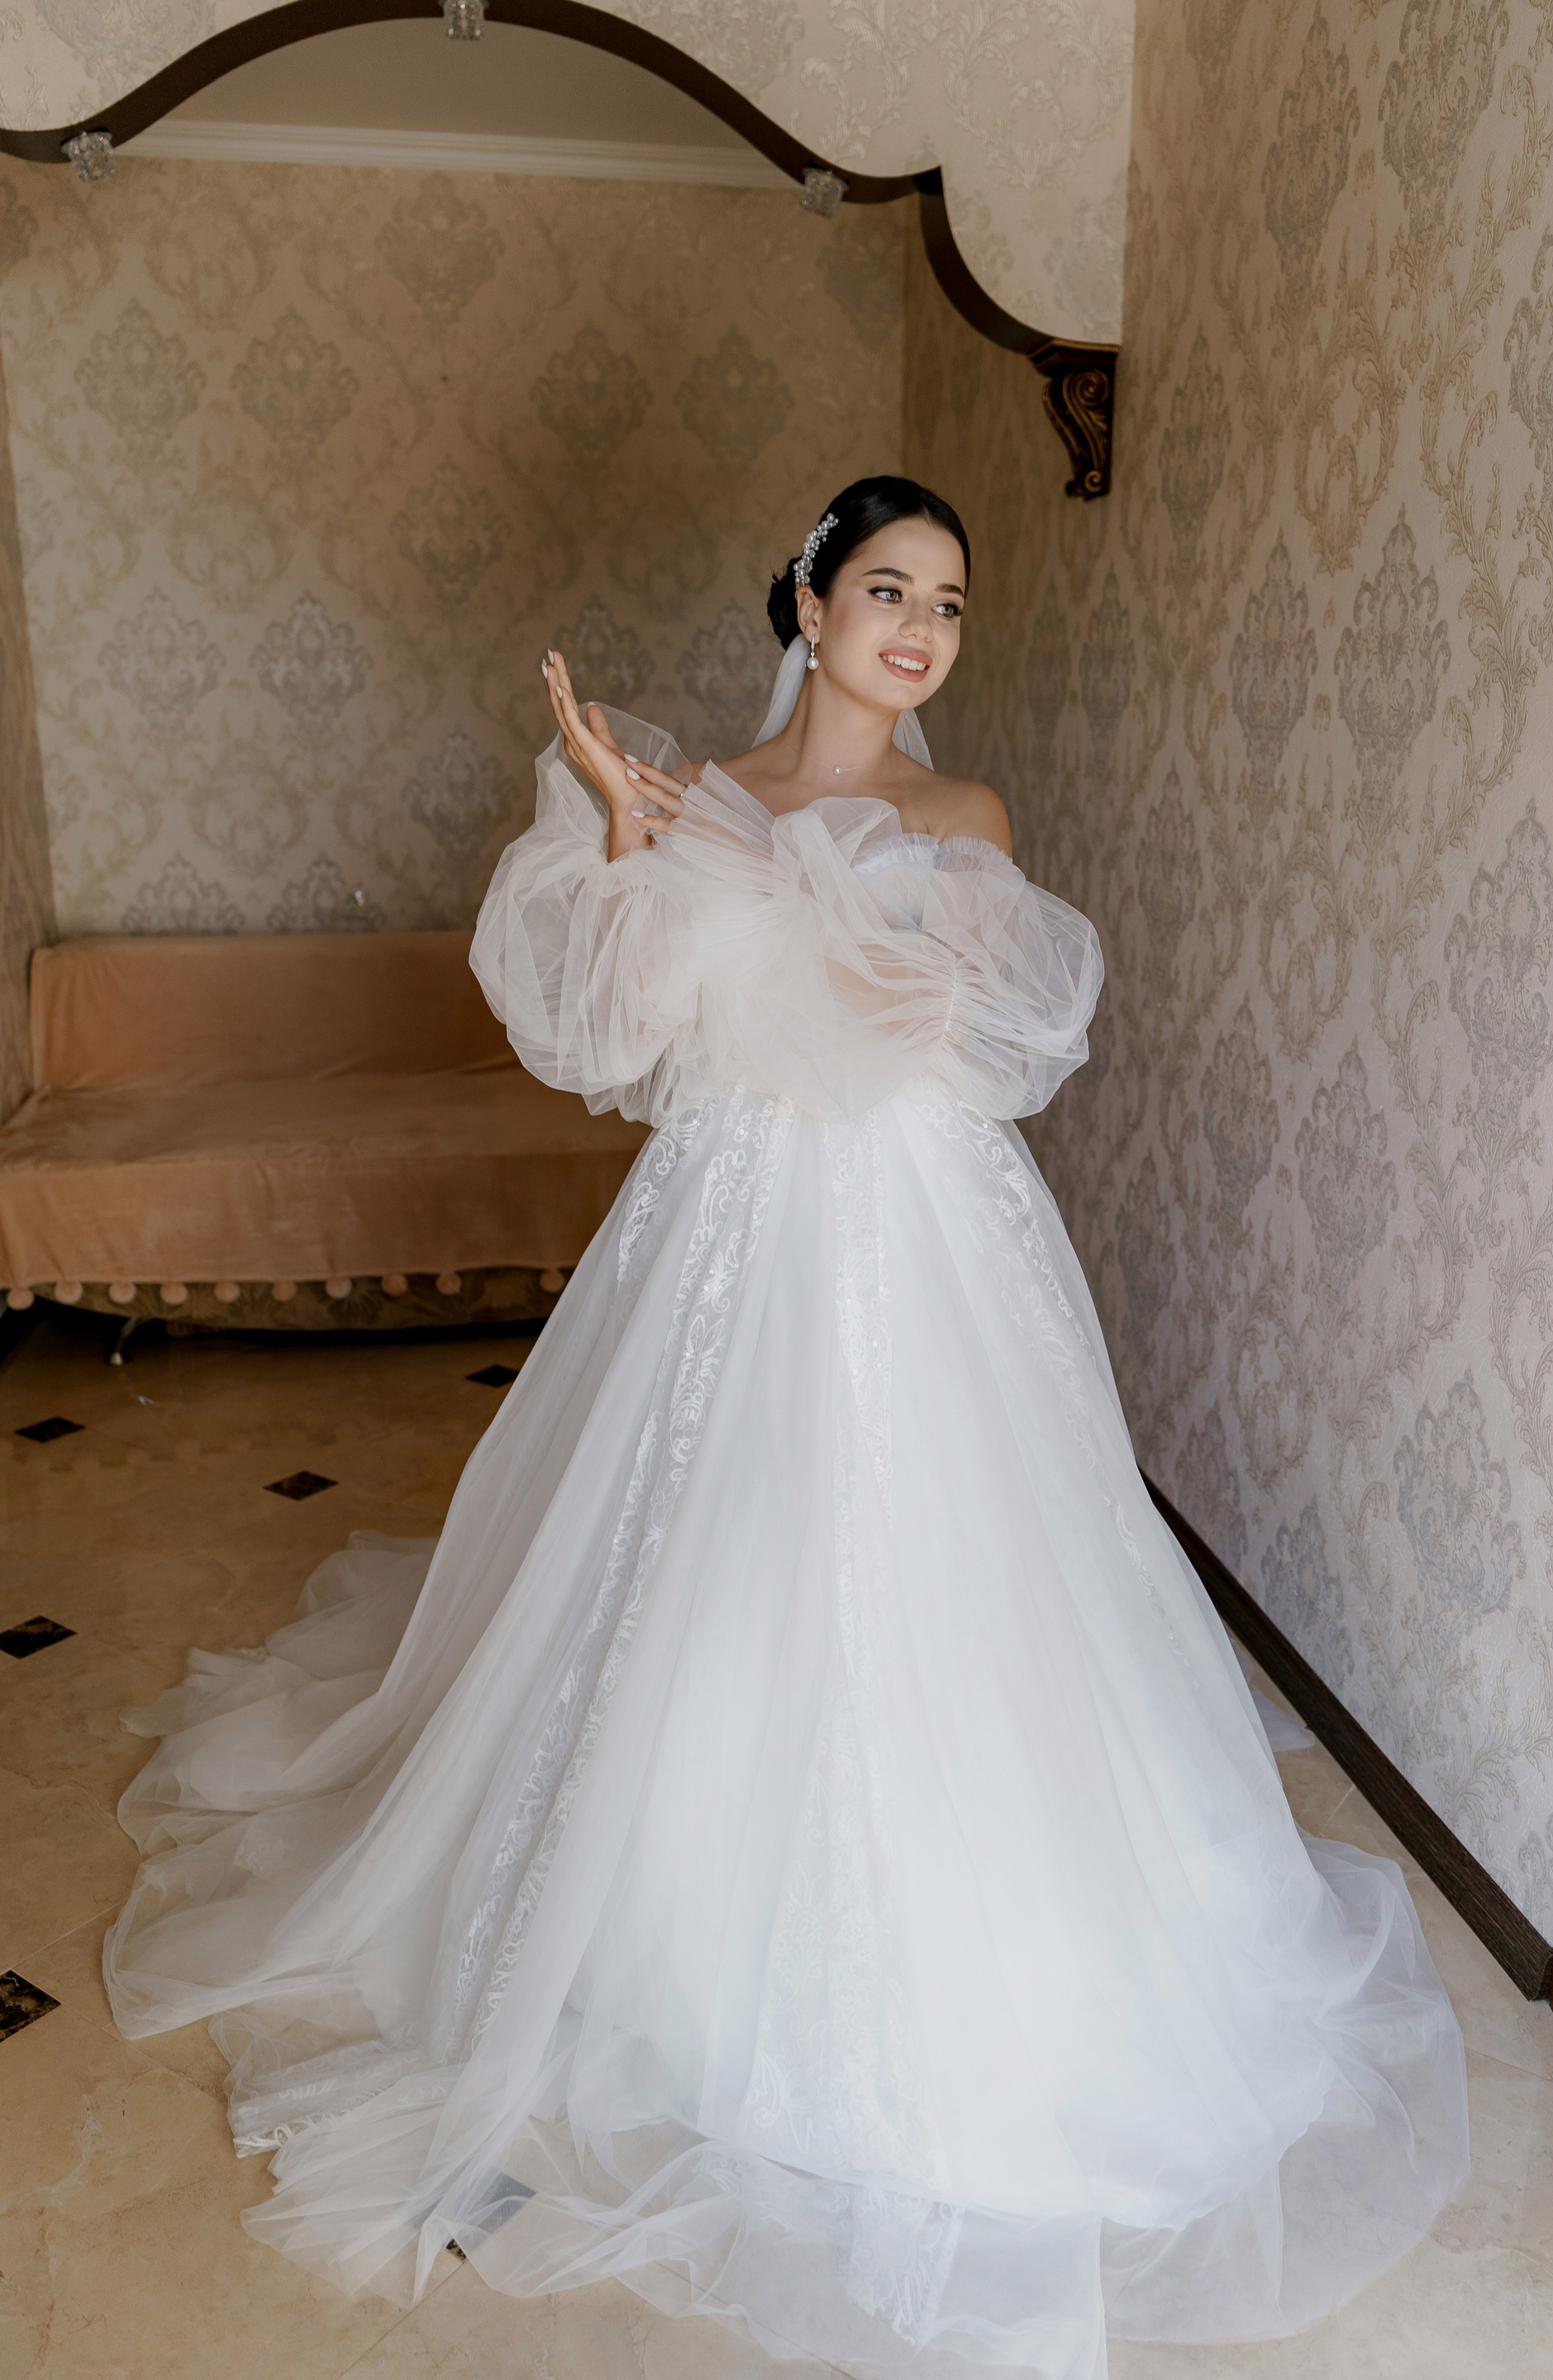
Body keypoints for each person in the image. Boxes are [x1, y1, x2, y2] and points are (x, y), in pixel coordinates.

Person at [105, 477, 1469, 2380]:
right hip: (736, 1229)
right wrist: (622, 834)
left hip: (925, 1238)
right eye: (888, 589)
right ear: (810, 608)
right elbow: (615, 1041)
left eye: (951, 603)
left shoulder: (965, 817)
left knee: (959, 1581)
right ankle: (679, 1942)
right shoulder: (700, 799)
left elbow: (981, 1043)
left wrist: (830, 919)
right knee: (719, 1564)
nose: (921, 629)